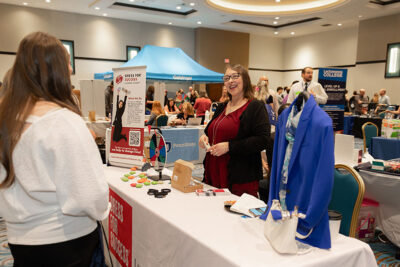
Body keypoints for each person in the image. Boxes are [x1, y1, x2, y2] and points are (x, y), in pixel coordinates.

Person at [0, 32, 109, 266]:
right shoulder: (63, 121)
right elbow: (89, 196)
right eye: (67, 63)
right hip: (67, 240)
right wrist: (104, 209)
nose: (70, 70)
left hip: (20, 240)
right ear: (55, 70)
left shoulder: (6, 120)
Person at [199, 64, 270, 197]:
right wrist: (204, 138)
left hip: (239, 178)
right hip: (213, 172)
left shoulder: (255, 106)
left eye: (235, 76)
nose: (230, 81)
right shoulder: (222, 107)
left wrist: (229, 147)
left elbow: (263, 140)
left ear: (245, 80)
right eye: (226, 78)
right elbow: (209, 131)